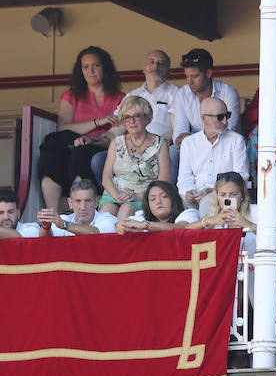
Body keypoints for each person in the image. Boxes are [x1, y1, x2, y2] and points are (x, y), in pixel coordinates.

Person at [35, 46, 125, 213]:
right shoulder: (71, 95)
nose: (90, 70)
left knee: (81, 154)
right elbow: (63, 127)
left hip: (99, 145)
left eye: (96, 65)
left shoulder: (120, 97)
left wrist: (93, 137)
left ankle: (79, 208)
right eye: (86, 67)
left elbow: (117, 132)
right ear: (80, 71)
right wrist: (99, 121)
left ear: (105, 67)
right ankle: (52, 213)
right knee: (50, 151)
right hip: (71, 141)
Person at [100, 95, 171, 221]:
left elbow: (163, 182)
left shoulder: (160, 143)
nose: (131, 121)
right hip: (114, 194)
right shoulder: (116, 143)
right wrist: (117, 196)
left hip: (144, 196)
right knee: (106, 213)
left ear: (146, 118)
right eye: (127, 117)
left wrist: (136, 196)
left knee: (126, 210)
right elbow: (106, 177)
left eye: (136, 116)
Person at [177, 97, 249, 213]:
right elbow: (184, 178)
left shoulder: (236, 140)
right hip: (194, 197)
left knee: (208, 202)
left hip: (224, 195)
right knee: (176, 203)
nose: (225, 121)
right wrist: (188, 192)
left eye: (227, 115)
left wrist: (212, 191)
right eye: (220, 117)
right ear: (203, 118)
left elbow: (241, 176)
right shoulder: (188, 143)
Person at [170, 48, 241, 151]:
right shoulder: (182, 94)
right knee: (172, 152)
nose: (190, 82)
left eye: (194, 76)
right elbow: (180, 130)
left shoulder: (228, 92)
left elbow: (229, 130)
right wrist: (181, 138)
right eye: (187, 76)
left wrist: (196, 140)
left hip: (225, 146)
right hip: (195, 146)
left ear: (208, 73)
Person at [20, 179, 118, 237]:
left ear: (96, 202)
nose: (83, 207)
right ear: (70, 203)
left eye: (88, 201)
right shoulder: (63, 219)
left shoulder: (107, 219)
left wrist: (64, 225)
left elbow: (96, 233)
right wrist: (46, 227)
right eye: (78, 201)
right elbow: (45, 244)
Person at [126, 49, 180, 139]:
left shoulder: (176, 93)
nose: (155, 65)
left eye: (161, 63)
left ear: (168, 71)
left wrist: (156, 144)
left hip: (165, 146)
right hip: (133, 146)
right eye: (151, 62)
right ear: (144, 69)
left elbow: (178, 128)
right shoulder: (132, 95)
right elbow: (119, 124)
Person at [116, 180, 188, 233]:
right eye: (153, 199)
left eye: (164, 196)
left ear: (174, 199)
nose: (158, 202)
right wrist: (120, 226)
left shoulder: (187, 213)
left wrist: (145, 225)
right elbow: (126, 224)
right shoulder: (141, 215)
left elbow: (182, 227)